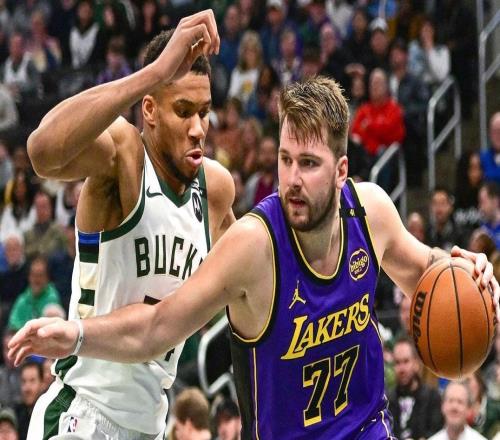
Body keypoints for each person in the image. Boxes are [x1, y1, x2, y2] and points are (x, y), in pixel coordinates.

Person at [9, 77, 500, 439]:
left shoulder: (369, 211)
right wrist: (77, 334)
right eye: (285, 160)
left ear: (340, 171)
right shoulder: (253, 245)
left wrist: (471, 271)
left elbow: (429, 271)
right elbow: (158, 326)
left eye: (309, 164)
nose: (292, 179)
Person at [9, 10, 234, 440]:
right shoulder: (125, 156)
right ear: (149, 109)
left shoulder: (216, 189)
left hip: (149, 424)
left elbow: (250, 294)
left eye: (204, 112)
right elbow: (41, 151)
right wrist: (153, 73)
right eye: (183, 111)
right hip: (83, 414)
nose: (197, 129)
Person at [388, 337, 443, 439]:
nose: (401, 369)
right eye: (397, 362)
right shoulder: (387, 400)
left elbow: (438, 434)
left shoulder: (432, 398)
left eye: (406, 361)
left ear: (416, 363)